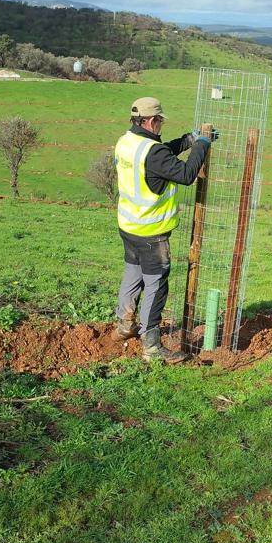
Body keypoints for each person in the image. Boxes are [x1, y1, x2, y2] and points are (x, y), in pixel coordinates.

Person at [115, 96, 217, 362]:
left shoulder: (127, 142)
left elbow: (158, 156)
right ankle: (151, 347)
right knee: (156, 285)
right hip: (151, 231)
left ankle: (124, 325)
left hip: (129, 225)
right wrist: (202, 145)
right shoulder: (153, 152)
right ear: (150, 121)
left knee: (132, 273)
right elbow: (184, 174)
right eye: (159, 121)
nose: (160, 125)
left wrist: (186, 141)